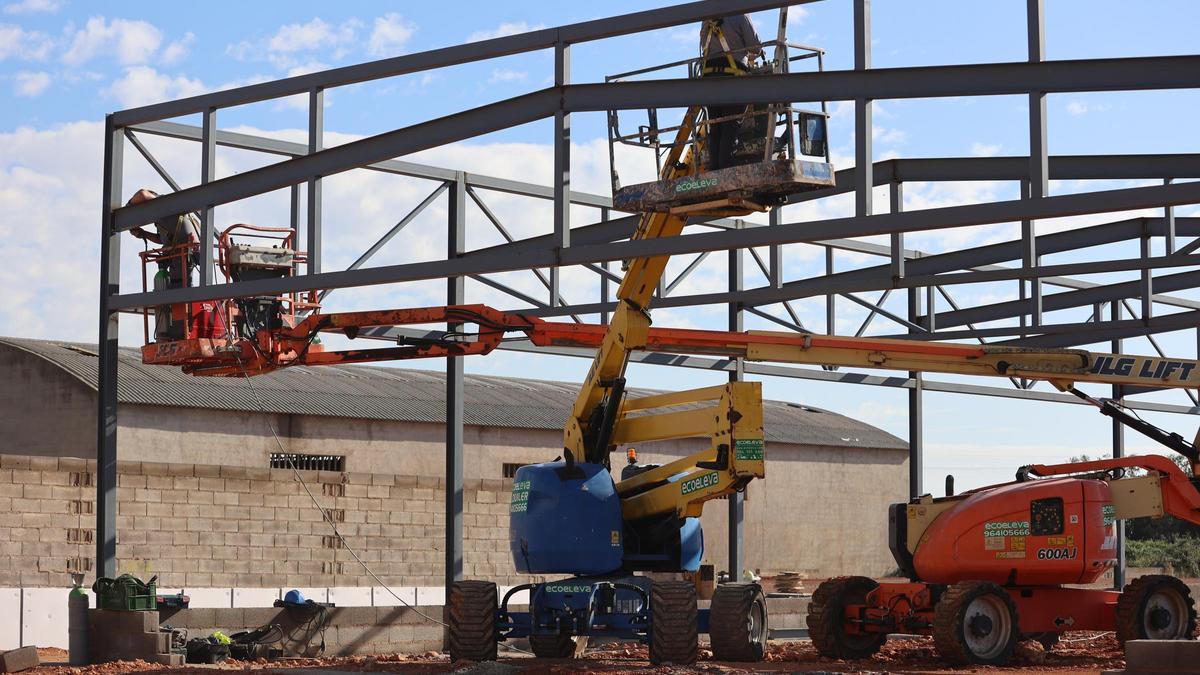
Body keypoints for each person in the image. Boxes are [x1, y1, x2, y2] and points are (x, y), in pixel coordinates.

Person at [126, 188, 202, 340]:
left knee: (178, 293)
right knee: (176, 292)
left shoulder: (164, 205)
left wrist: (128, 210)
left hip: (185, 257)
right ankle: (178, 332)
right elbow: (163, 239)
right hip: (182, 258)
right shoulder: (167, 218)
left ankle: (181, 333)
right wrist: (143, 233)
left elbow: (142, 194)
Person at [699, 15, 763, 171]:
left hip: (710, 77)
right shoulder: (740, 14)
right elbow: (755, 47)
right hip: (733, 76)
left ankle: (715, 170)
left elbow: (703, 45)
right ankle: (725, 170)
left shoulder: (706, 16)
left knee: (715, 126)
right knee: (731, 125)